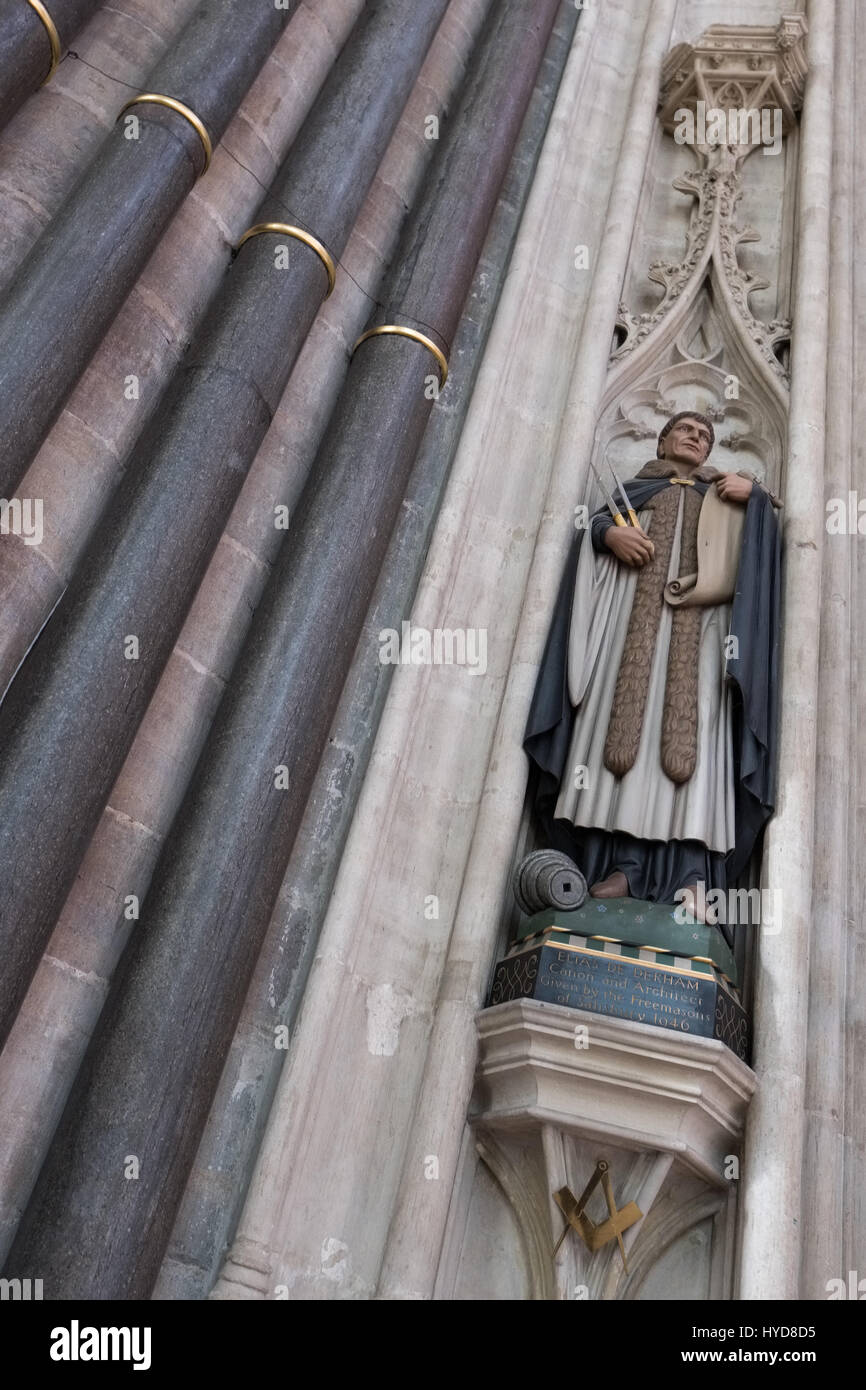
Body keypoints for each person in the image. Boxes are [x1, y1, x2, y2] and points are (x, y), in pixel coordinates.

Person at [524, 412, 781, 935]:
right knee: (619, 754)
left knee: (699, 762)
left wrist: (754, 495)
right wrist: (605, 537)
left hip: (704, 650)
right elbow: (591, 535)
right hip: (627, 643)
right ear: (663, 438)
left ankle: (693, 879)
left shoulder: (726, 495)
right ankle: (621, 867)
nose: (697, 438)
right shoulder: (636, 492)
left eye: (707, 436)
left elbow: (763, 560)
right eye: (686, 429)